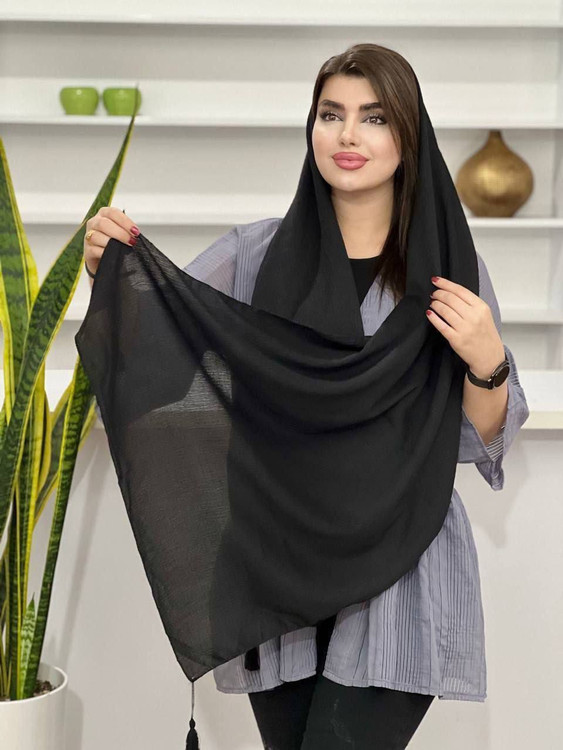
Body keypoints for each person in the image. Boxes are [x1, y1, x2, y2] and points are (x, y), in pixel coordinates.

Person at [82, 43, 529, 750]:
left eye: (374, 117)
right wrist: (108, 273)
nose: (348, 135)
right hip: (277, 570)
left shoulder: (449, 268)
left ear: (409, 136)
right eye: (330, 114)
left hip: (398, 567)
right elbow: (162, 364)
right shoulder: (254, 255)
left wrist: (488, 361)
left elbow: (481, 440)